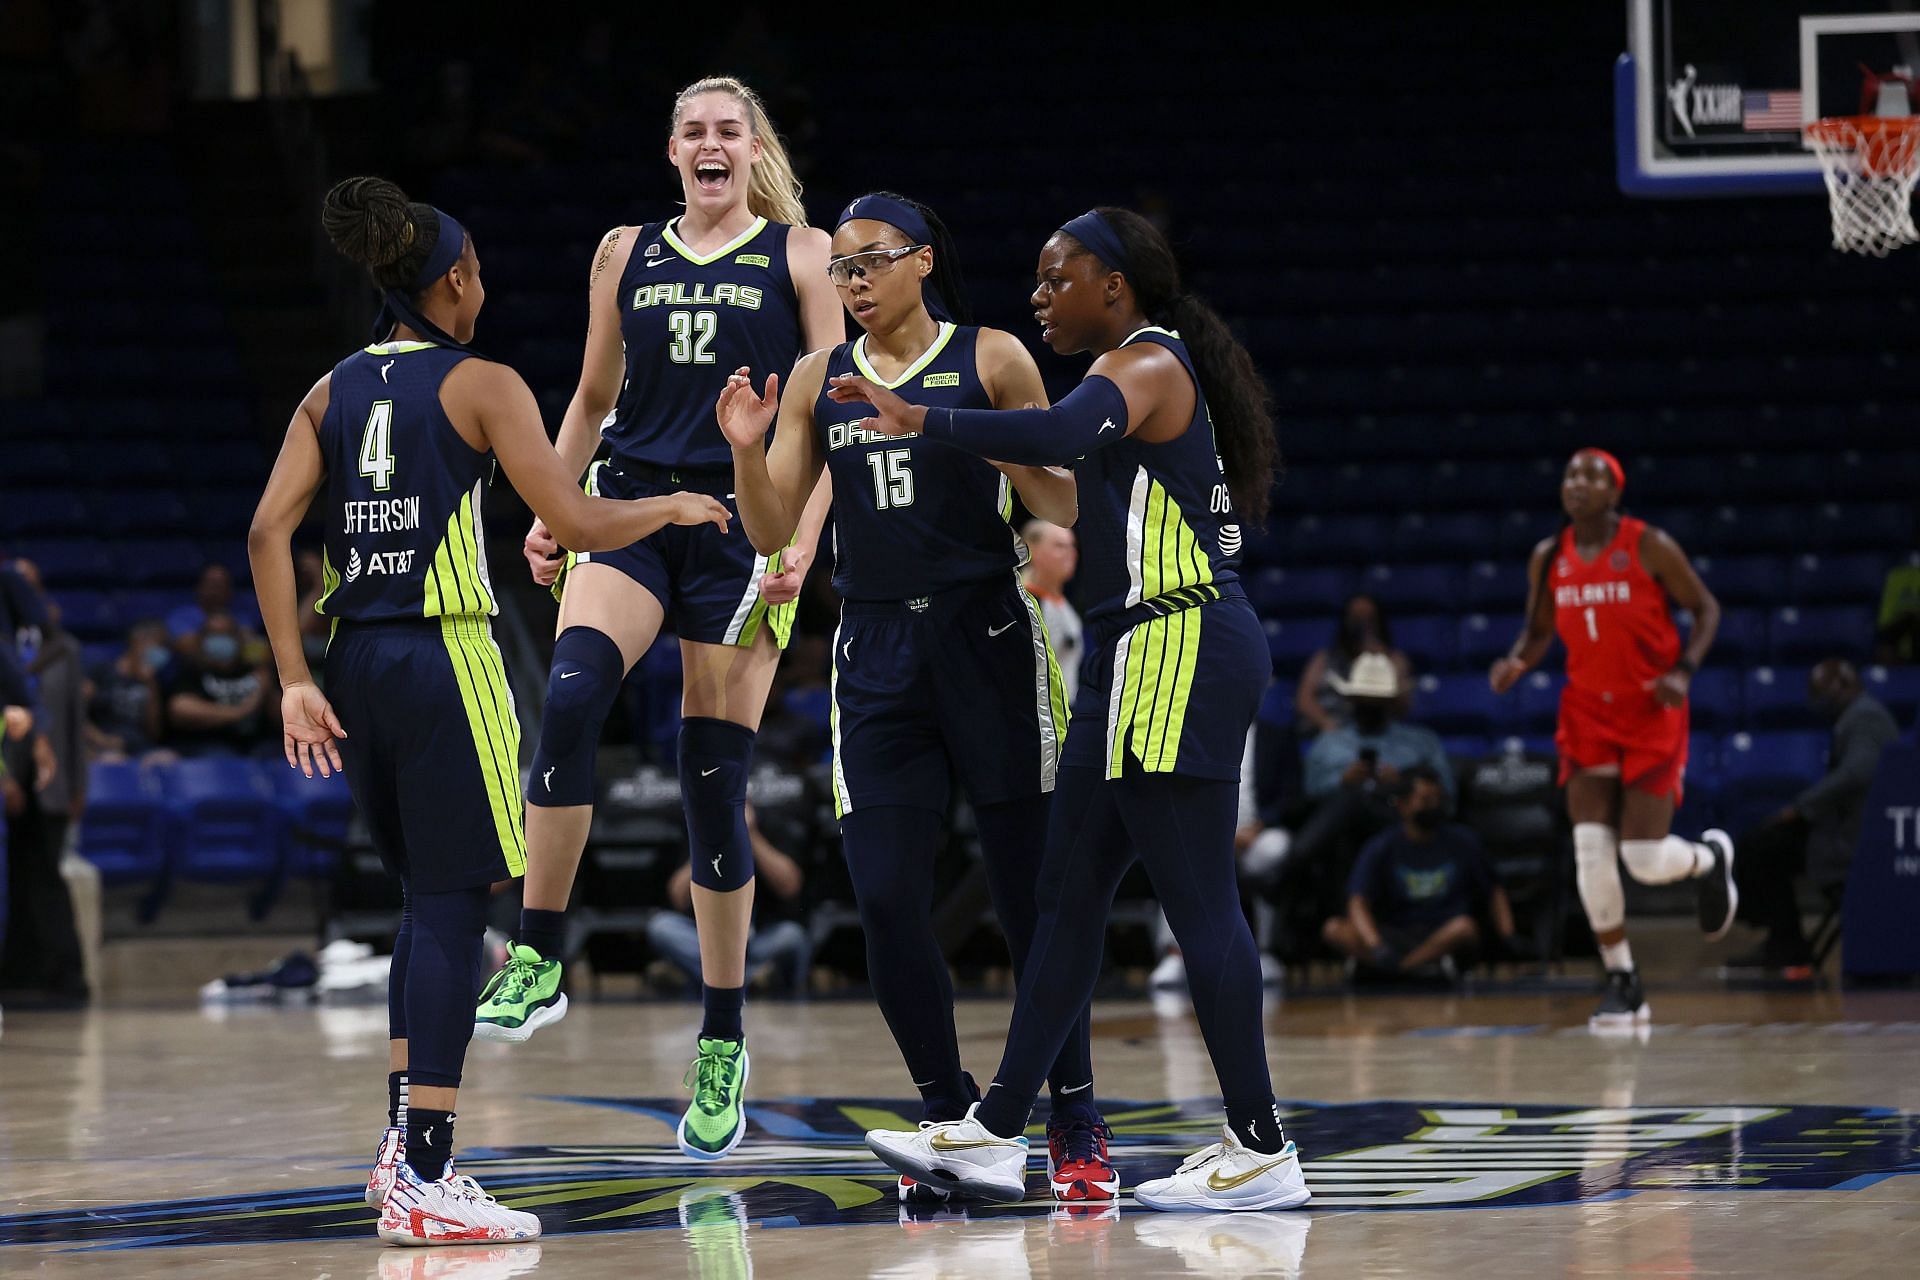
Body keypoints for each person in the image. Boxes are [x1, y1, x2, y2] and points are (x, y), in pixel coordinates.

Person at [247, 175, 728, 1245]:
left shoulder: (330, 388)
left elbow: (267, 533)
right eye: (480, 273)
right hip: (444, 652)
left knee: (423, 902)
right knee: (459, 909)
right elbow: (576, 518)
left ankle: (399, 1146)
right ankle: (428, 1168)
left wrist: (291, 676)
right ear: (455, 278)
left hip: (352, 658)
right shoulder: (483, 383)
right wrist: (678, 502)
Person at [842, 208, 1305, 1212]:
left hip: (1178, 640)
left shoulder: (1146, 364)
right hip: (1125, 653)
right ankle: (999, 1133)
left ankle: (1262, 1144)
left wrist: (925, 417)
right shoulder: (1128, 378)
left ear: (1115, 281)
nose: (1040, 296)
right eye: (1036, 281)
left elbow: (1052, 428)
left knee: (1197, 899)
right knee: (1064, 895)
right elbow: (1054, 480)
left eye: (1059, 279)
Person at [472, 76, 843, 1167]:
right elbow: (589, 397)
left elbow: (830, 410)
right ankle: (539, 951)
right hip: (634, 497)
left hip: (744, 517)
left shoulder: (803, 254)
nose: (711, 142)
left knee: (712, 789)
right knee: (575, 692)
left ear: (753, 148)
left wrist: (803, 538)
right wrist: (554, 500)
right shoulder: (620, 251)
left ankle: (723, 1035)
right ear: (673, 150)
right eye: (695, 129)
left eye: (730, 129)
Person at [717, 191, 1108, 1203]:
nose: (851, 282)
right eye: (839, 269)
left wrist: (997, 446)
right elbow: (768, 530)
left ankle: (1075, 1115)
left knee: (1031, 896)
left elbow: (1062, 493)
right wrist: (745, 447)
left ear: (922, 261)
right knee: (888, 894)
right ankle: (949, 1111)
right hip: (878, 646)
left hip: (983, 630)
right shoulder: (817, 376)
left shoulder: (993, 358)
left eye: (870, 262)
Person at [1489, 448, 1736, 1030]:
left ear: (1614, 492)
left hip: (1651, 709)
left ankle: (1709, 858)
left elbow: (1706, 610)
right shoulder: (1549, 558)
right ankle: (1623, 979)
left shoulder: (1649, 545)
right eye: (1571, 472)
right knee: (1591, 850)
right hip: (1587, 716)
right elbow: (1539, 631)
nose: (1577, 482)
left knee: (1644, 859)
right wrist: (1515, 663)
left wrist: (1683, 672)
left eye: (1592, 475)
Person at [1731, 659, 1899, 972]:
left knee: (1763, 846)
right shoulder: (1860, 714)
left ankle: (1786, 944)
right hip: (1851, 829)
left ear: (1844, 684)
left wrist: (1802, 807)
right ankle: (1783, 940)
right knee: (1763, 841)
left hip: (1858, 841)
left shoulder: (1866, 716)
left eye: (1821, 691)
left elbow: (1857, 773)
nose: (1816, 700)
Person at [1323, 765, 1515, 980]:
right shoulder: (1382, 845)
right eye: (1425, 799)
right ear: (1402, 805)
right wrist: (1376, 946)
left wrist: (1508, 938)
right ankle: (1421, 969)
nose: (1433, 805)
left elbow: (1494, 890)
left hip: (1442, 932)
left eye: (1437, 798)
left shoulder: (1464, 841)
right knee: (1334, 929)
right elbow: (1357, 901)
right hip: (1395, 933)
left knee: (1464, 928)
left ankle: (1401, 970)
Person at [645, 803, 810, 993]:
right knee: (662, 927)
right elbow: (678, 896)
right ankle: (750, 979)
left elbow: (790, 887)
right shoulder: (700, 827)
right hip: (707, 940)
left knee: (792, 936)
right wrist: (710, 843)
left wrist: (751, 835)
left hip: (759, 938)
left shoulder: (771, 824)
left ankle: (697, 977)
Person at [1295, 594, 1413, 735]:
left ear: (1379, 621)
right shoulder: (1324, 659)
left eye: (1369, 617)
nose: (1362, 624)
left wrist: (1381, 659)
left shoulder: (1393, 659)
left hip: (1381, 734)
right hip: (1332, 732)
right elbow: (1304, 700)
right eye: (1356, 617)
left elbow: (1403, 706)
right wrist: (1327, 724)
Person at [164, 610, 275, 756]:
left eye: (227, 634)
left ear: (239, 638)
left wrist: (268, 688)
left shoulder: (257, 669)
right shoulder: (192, 669)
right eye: (213, 634)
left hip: (258, 744)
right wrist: (240, 712)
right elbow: (180, 708)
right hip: (207, 743)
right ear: (202, 639)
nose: (220, 640)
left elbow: (280, 714)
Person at [85, 620, 173, 762]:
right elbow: (76, 712)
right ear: (137, 642)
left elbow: (154, 732)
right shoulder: (101, 672)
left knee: (167, 761)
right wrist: (100, 739)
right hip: (104, 744)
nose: (162, 651)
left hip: (140, 747)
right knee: (113, 761)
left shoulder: (157, 679)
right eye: (160, 644)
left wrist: (151, 684)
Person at [1022, 519, 1084, 705]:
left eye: (1072, 546)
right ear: (1031, 549)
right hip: (1036, 715)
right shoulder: (1022, 604)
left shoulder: (1066, 606)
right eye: (1059, 546)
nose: (1070, 553)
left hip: (1066, 713)